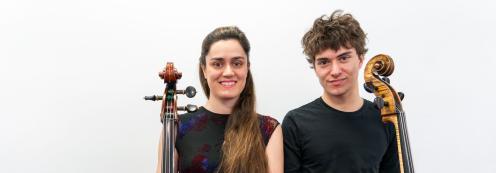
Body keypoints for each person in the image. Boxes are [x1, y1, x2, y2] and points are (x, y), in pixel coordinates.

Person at [282, 10, 400, 173]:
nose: (335, 71)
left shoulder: (385, 120)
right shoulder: (295, 123)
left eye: (343, 58)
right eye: (324, 62)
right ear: (315, 68)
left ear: (360, 59)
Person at [156, 26, 283, 173]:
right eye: (217, 64)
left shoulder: (268, 129)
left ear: (247, 68)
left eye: (237, 63)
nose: (228, 72)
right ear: (204, 69)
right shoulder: (176, 127)